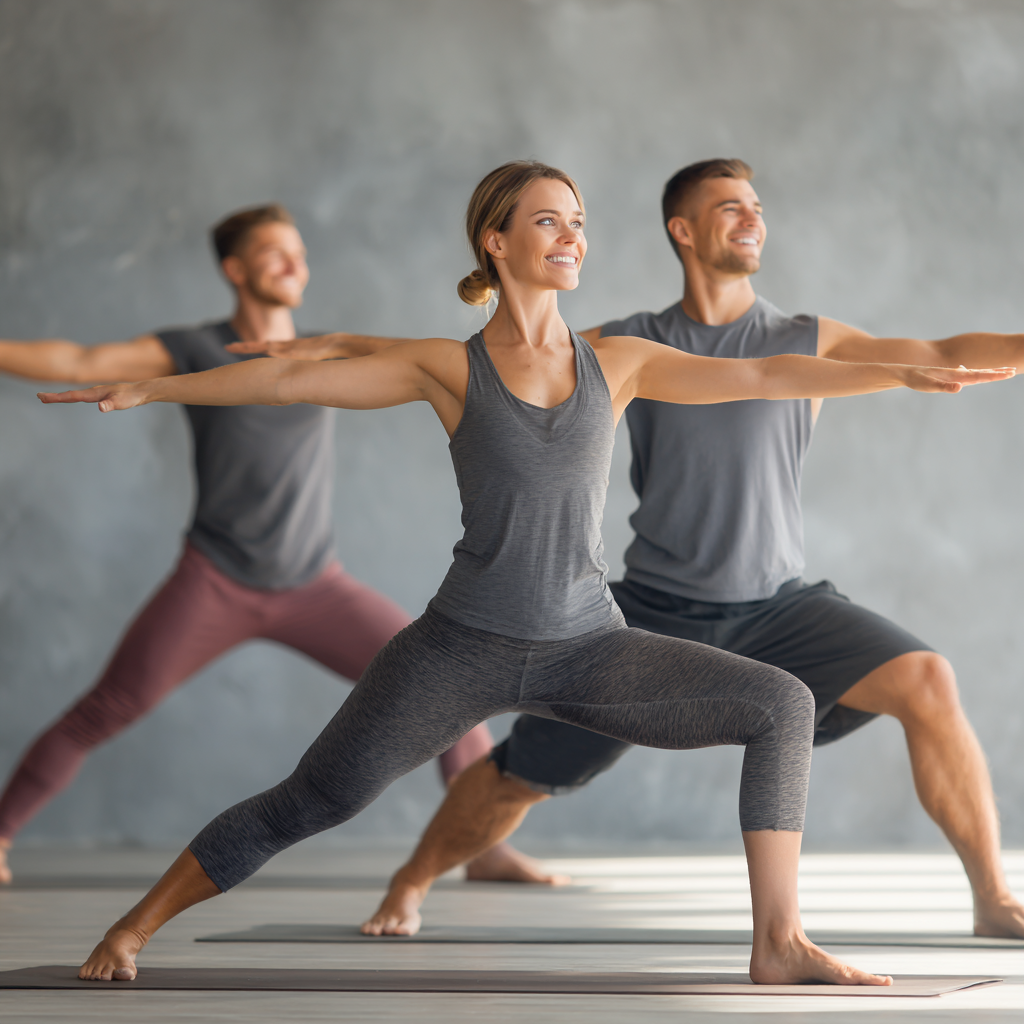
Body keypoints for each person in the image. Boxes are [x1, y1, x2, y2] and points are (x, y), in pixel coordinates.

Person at [46, 160, 1010, 986]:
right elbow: (288, 378)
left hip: (589, 646)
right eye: (548, 219)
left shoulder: (621, 359)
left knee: (782, 705)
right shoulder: (449, 367)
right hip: (460, 648)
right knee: (316, 800)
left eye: (579, 222)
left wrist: (894, 372)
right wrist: (152, 385)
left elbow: (763, 378)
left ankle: (779, 941)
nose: (571, 235)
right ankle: (131, 927)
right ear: (496, 242)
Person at [355, 158, 1024, 942]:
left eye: (758, 207)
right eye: (731, 207)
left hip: (780, 609)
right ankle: (410, 881)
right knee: (530, 770)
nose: (753, 218)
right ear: (684, 229)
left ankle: (993, 897)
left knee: (927, 680)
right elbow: (496, 357)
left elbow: (941, 351)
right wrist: (346, 350)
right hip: (645, 615)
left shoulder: (807, 340)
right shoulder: (628, 344)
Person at [0, 202, 532, 888]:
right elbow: (79, 359)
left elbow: (447, 363)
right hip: (213, 581)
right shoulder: (193, 349)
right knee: (105, 709)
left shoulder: (325, 346)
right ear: (235, 269)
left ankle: (481, 847)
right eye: (275, 253)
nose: (295, 264)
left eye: (300, 253)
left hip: (316, 586)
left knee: (447, 686)